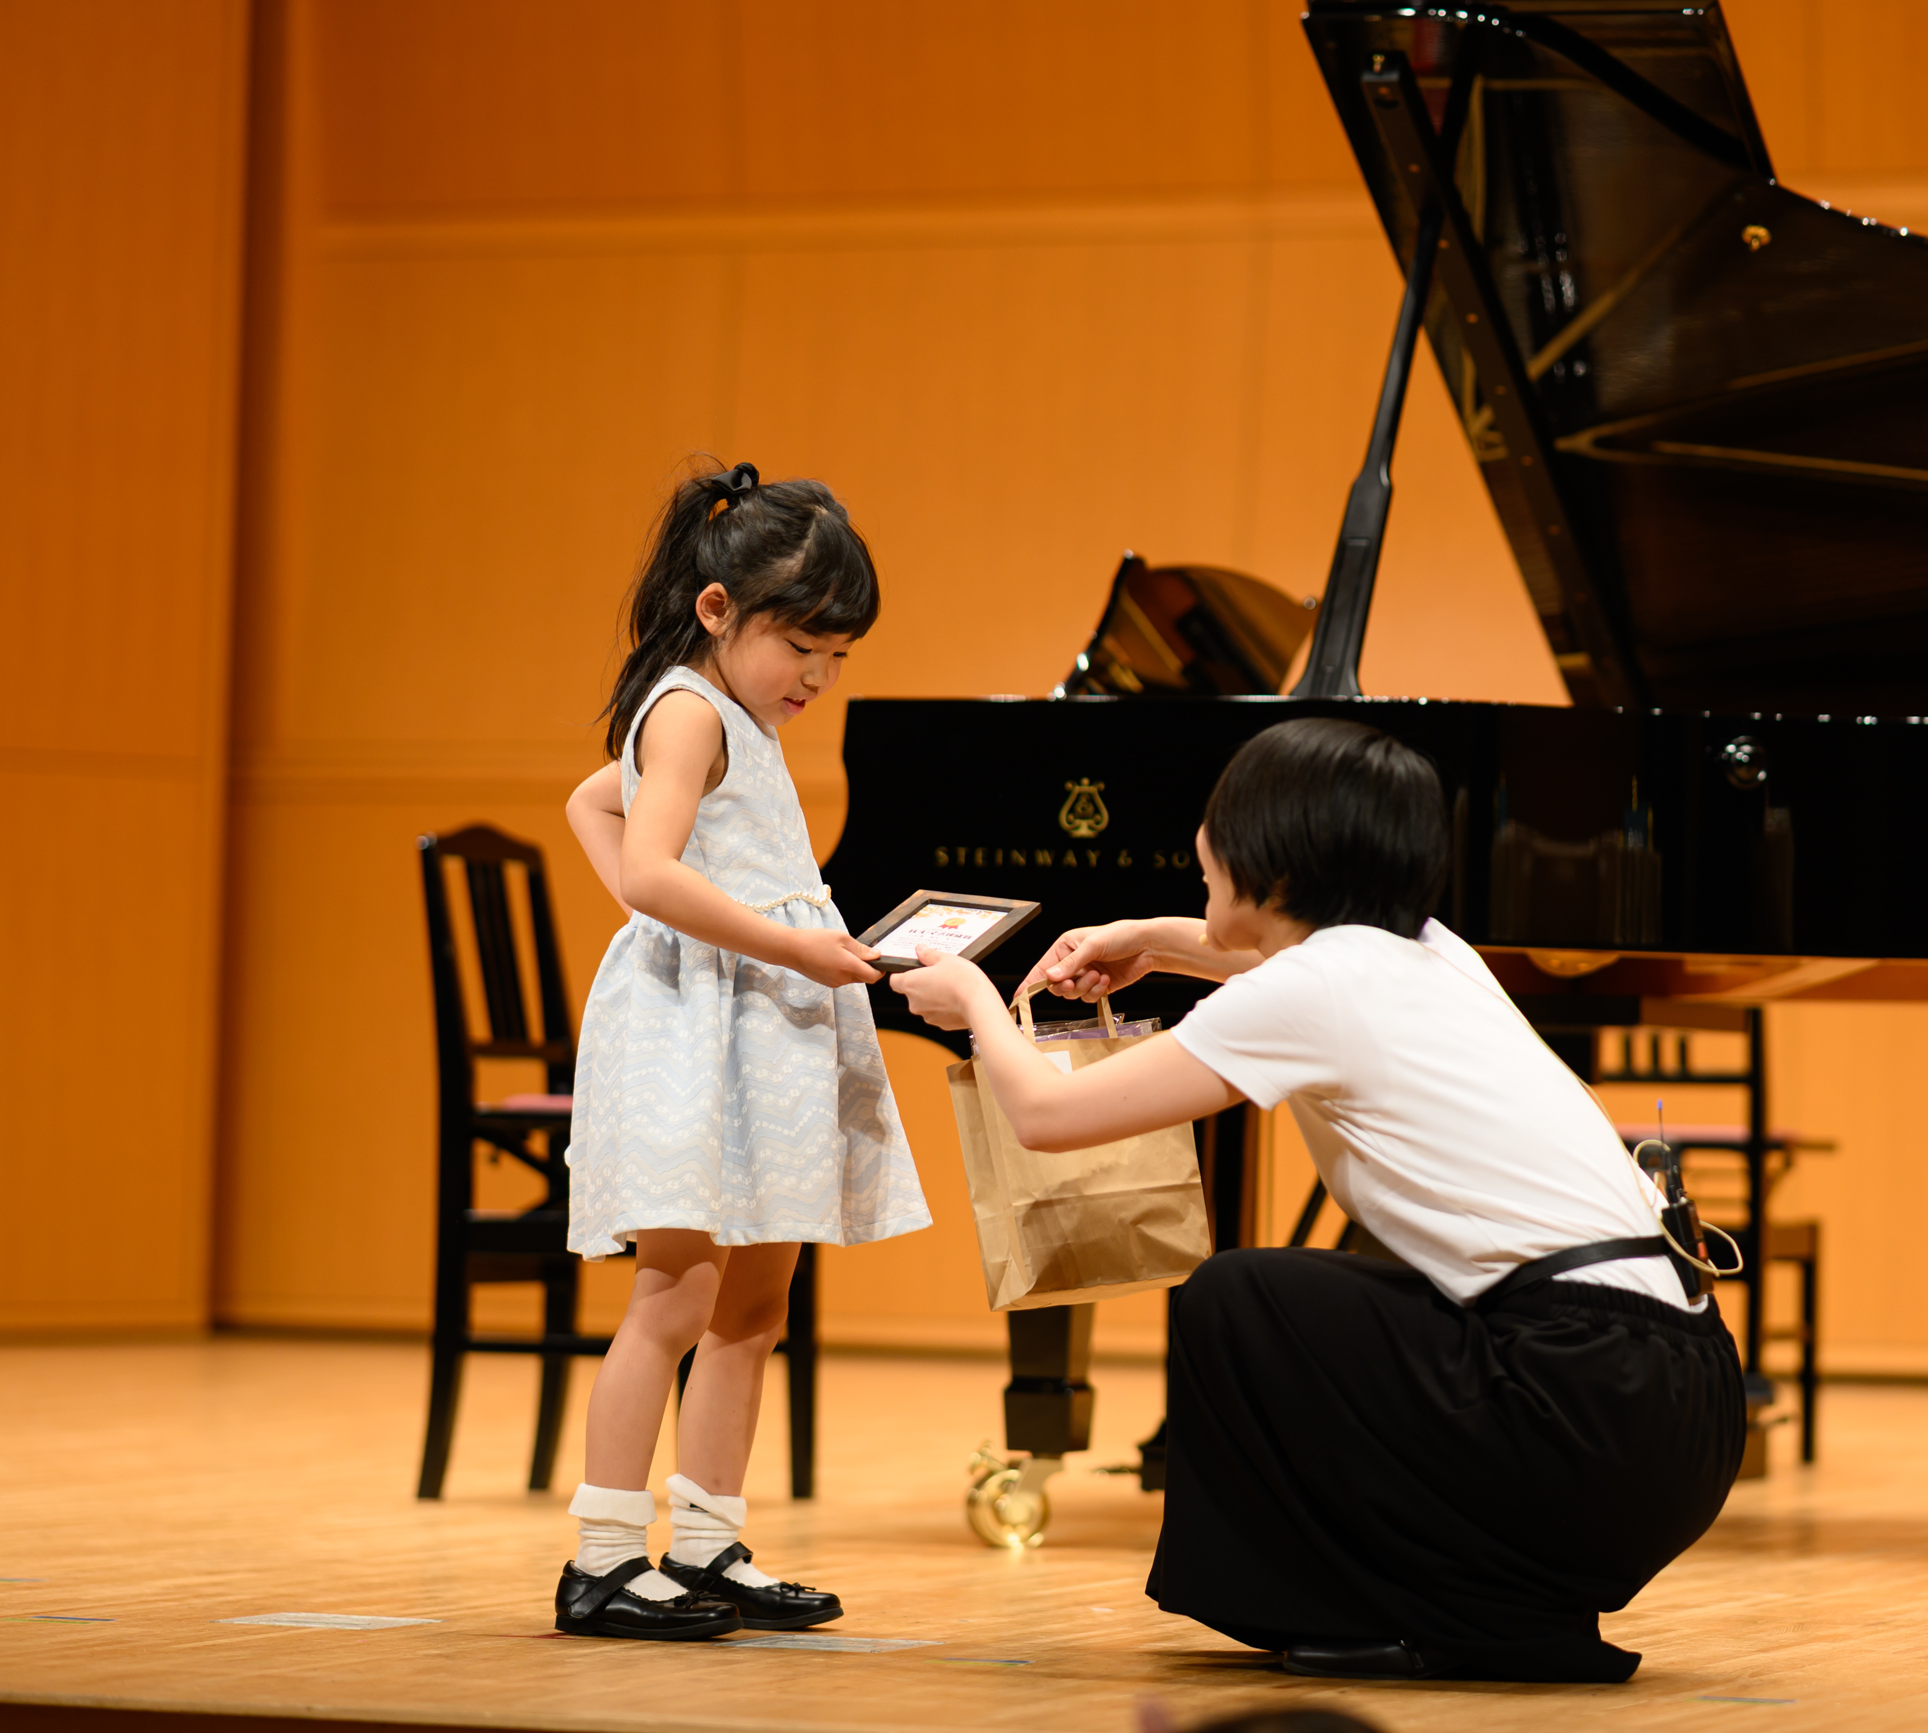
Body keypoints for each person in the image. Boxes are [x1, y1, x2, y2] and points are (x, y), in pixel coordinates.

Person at [891, 717, 1745, 1684]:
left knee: (1242, 1300)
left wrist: (971, 998)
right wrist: (1154, 942)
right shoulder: (1429, 948)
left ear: (1274, 853)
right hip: (1676, 1405)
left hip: (1586, 1408)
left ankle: (1451, 1619)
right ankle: (1491, 1610)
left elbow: (1044, 1113)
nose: (1201, 848)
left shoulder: (1319, 986)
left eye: (1218, 826)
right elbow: (1276, 969)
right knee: (1307, 1300)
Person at [552, 461, 928, 1640]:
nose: (816, 675)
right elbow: (653, 863)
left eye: (838, 656)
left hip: (754, 1022)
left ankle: (707, 1538)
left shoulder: (737, 716)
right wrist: (761, 938)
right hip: (697, 1029)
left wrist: (712, 928)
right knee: (675, 1289)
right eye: (799, 645)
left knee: (755, 1297)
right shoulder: (686, 706)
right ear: (718, 611)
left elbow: (588, 804)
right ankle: (604, 1554)